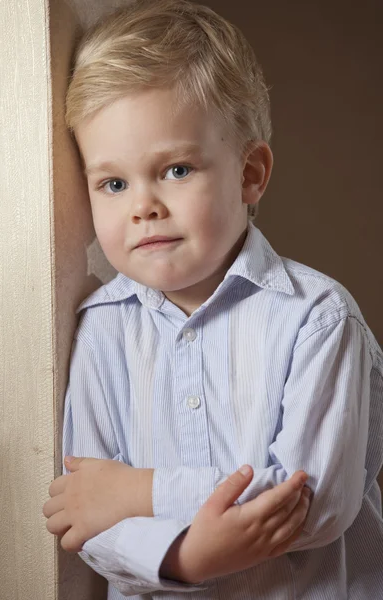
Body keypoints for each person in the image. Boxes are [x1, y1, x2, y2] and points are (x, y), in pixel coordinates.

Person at [42, 0, 383, 598]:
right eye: (113, 183)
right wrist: (183, 559)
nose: (142, 205)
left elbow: (310, 500)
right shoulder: (100, 330)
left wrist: (138, 492)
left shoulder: (319, 320)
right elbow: (83, 512)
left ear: (250, 174)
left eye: (175, 169)